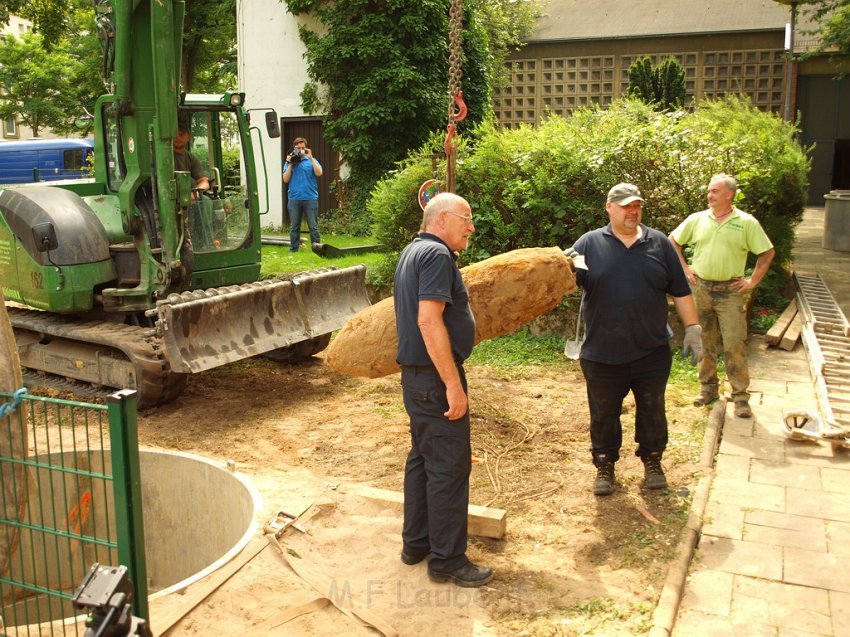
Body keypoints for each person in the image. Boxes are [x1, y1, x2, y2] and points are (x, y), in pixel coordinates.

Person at [568, 183, 703, 496]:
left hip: (651, 351)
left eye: (636, 206)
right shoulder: (587, 244)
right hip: (602, 352)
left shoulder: (660, 244)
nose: (632, 211)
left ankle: (653, 460)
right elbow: (563, 280)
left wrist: (693, 327)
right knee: (603, 414)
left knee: (653, 410)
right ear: (609, 208)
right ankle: (604, 465)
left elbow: (681, 291)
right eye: (626, 206)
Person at [393, 192, 493, 588]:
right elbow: (428, 322)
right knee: (449, 468)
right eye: (465, 218)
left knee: (422, 460)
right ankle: (448, 560)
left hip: (417, 380)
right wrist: (453, 385)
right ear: (442, 219)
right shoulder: (435, 257)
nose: (471, 226)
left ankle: (416, 544)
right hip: (435, 381)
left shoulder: (412, 252)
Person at [669, 173, 775, 419]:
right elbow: (672, 241)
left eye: (714, 191)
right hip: (701, 289)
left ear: (729, 194)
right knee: (703, 341)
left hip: (730, 292)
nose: (709, 195)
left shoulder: (746, 222)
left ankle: (740, 397)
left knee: (734, 343)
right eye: (709, 191)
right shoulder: (698, 219)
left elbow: (767, 253)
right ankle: (708, 389)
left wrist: (752, 281)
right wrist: (685, 269)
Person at [282, 137, 322, 252]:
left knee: (313, 227)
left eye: (303, 148)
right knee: (294, 227)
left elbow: (319, 173)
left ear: (306, 148)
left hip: (310, 198)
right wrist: (289, 163)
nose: (300, 150)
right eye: (298, 148)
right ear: (294, 148)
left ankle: (317, 250)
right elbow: (285, 179)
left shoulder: (311, 160)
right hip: (294, 199)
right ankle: (293, 250)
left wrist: (311, 158)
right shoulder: (289, 162)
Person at [173, 123, 210, 198]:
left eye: (181, 135)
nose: (177, 138)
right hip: (167, 199)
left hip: (185, 199)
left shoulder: (191, 158)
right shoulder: (163, 157)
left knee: (206, 200)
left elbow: (204, 182)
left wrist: (195, 194)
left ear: (189, 137)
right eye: (175, 135)